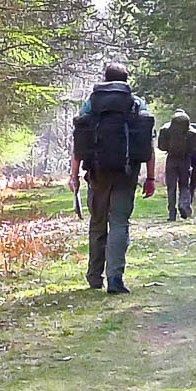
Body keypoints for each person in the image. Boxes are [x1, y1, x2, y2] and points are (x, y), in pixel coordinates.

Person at [71, 63, 156, 294]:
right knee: (119, 222)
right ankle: (115, 278)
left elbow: (79, 139)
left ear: (105, 79)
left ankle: (94, 277)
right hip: (127, 172)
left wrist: (74, 175)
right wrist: (150, 177)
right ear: (126, 80)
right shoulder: (136, 103)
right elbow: (147, 142)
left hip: (97, 172)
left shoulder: (92, 103)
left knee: (97, 223)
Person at [159, 109, 196, 220]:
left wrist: (170, 148)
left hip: (171, 159)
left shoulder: (166, 129)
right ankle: (184, 205)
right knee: (184, 185)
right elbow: (195, 148)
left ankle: (171, 213)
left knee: (171, 187)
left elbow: (161, 146)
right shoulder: (192, 132)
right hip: (185, 160)